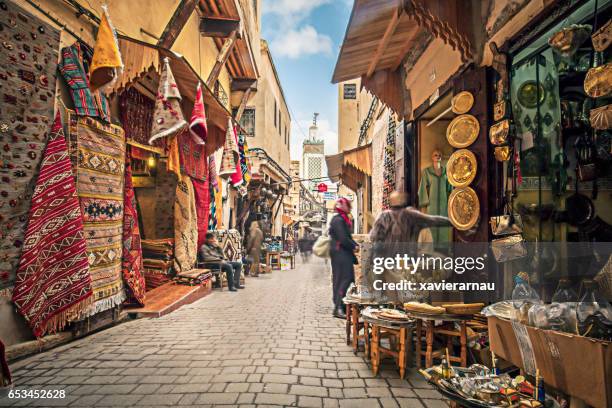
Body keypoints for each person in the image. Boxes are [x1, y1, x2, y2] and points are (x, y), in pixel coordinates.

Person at [369, 191, 452, 302]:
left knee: (390, 293)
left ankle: (380, 300)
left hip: (394, 263)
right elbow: (434, 220)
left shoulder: (385, 216)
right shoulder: (410, 215)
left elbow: (373, 237)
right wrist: (453, 222)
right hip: (403, 263)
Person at [329, 197, 358, 319]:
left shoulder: (342, 219)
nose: (350, 207)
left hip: (343, 253)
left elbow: (347, 236)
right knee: (343, 279)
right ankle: (338, 307)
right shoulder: (338, 220)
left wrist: (353, 244)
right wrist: (354, 246)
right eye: (348, 205)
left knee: (346, 278)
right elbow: (343, 238)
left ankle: (340, 305)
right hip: (340, 253)